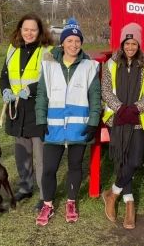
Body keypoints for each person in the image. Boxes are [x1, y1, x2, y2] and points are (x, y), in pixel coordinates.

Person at [34, 18, 101, 226]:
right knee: (49, 168)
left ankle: (71, 202)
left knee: (75, 166)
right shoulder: (49, 65)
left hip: (78, 128)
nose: (73, 45)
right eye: (69, 40)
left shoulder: (90, 66)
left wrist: (93, 122)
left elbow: (95, 98)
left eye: (77, 41)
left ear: (81, 43)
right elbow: (42, 96)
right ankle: (48, 204)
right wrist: (40, 120)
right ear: (62, 43)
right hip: (53, 127)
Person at [100, 23, 144, 229]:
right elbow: (105, 90)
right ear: (122, 43)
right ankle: (129, 202)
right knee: (121, 160)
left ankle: (112, 193)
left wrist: (135, 108)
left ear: (139, 44)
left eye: (134, 43)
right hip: (116, 118)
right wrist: (120, 109)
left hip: (137, 118)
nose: (130, 47)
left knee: (134, 161)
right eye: (127, 42)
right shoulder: (110, 64)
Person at [0, 13, 54, 211]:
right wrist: (5, 90)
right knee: (21, 152)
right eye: (26, 29)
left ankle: (44, 193)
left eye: (33, 29)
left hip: (37, 109)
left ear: (40, 31)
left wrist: (29, 90)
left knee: (41, 155)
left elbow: (49, 79)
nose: (29, 33)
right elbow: (4, 76)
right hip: (16, 109)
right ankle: (25, 187)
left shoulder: (47, 51)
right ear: (20, 30)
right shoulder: (12, 50)